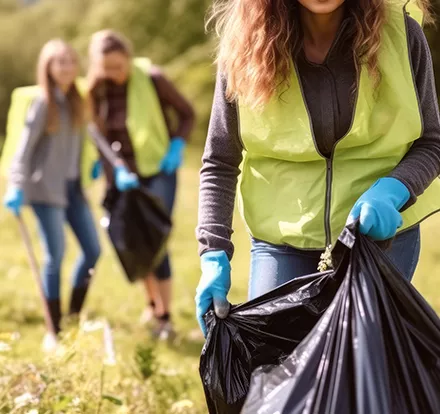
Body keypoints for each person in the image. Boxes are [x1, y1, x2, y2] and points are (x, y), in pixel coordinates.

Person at [195, 0, 440, 335]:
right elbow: (220, 160)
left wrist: (393, 190)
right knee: (279, 366)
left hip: (379, 237)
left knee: (363, 367)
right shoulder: (245, 42)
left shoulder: (402, 34)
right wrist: (213, 254)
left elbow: (432, 142)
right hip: (282, 238)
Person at [86, 30, 195, 339]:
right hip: (123, 175)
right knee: (135, 240)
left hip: (159, 169)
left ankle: (165, 317)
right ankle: (152, 303)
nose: (114, 74)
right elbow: (98, 135)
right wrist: (112, 168)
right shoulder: (96, 91)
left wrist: (177, 146)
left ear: (129, 59)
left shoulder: (153, 78)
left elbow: (187, 114)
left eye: (119, 67)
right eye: (106, 68)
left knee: (155, 239)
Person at [2, 39, 101, 350]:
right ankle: (53, 331)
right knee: (55, 256)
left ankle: (72, 320)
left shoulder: (76, 100)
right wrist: (15, 184)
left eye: (71, 61)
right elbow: (23, 148)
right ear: (48, 67)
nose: (67, 67)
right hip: (45, 188)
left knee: (93, 251)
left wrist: (93, 164)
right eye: (60, 62)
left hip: (72, 188)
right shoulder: (44, 102)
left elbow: (83, 142)